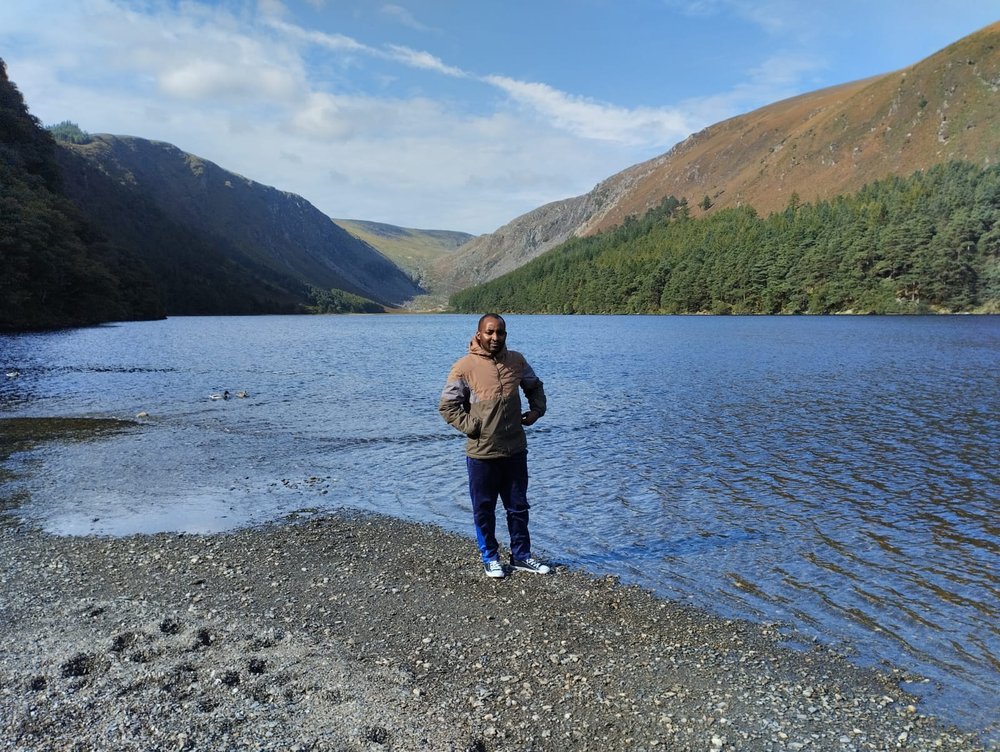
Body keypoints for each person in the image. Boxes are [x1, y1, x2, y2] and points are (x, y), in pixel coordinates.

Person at [439, 314, 551, 578]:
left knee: (518, 506)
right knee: (484, 508)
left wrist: (537, 411)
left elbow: (535, 387)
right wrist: (474, 427)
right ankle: (490, 557)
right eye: (489, 332)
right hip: (482, 454)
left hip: (515, 450)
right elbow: (447, 406)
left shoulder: (517, 361)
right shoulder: (464, 367)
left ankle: (521, 556)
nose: (495, 337)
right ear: (479, 334)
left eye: (500, 333)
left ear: (505, 335)